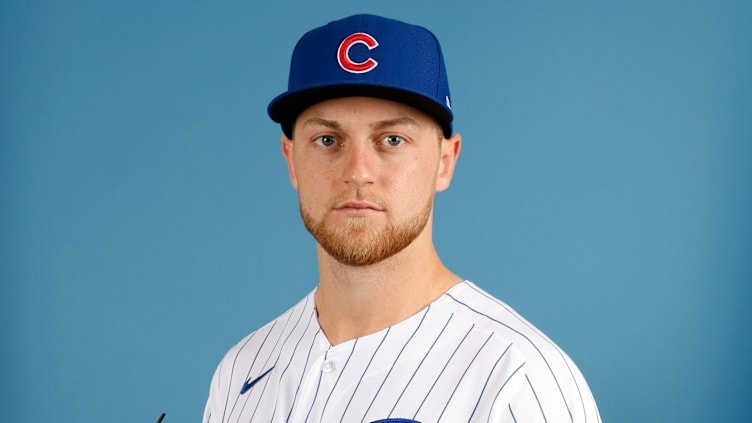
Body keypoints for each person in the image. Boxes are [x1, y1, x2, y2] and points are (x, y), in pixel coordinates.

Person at [204, 14, 601, 423]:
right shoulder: (240, 372)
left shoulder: (518, 380)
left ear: (445, 162)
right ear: (291, 160)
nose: (357, 172)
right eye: (327, 140)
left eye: (392, 140)